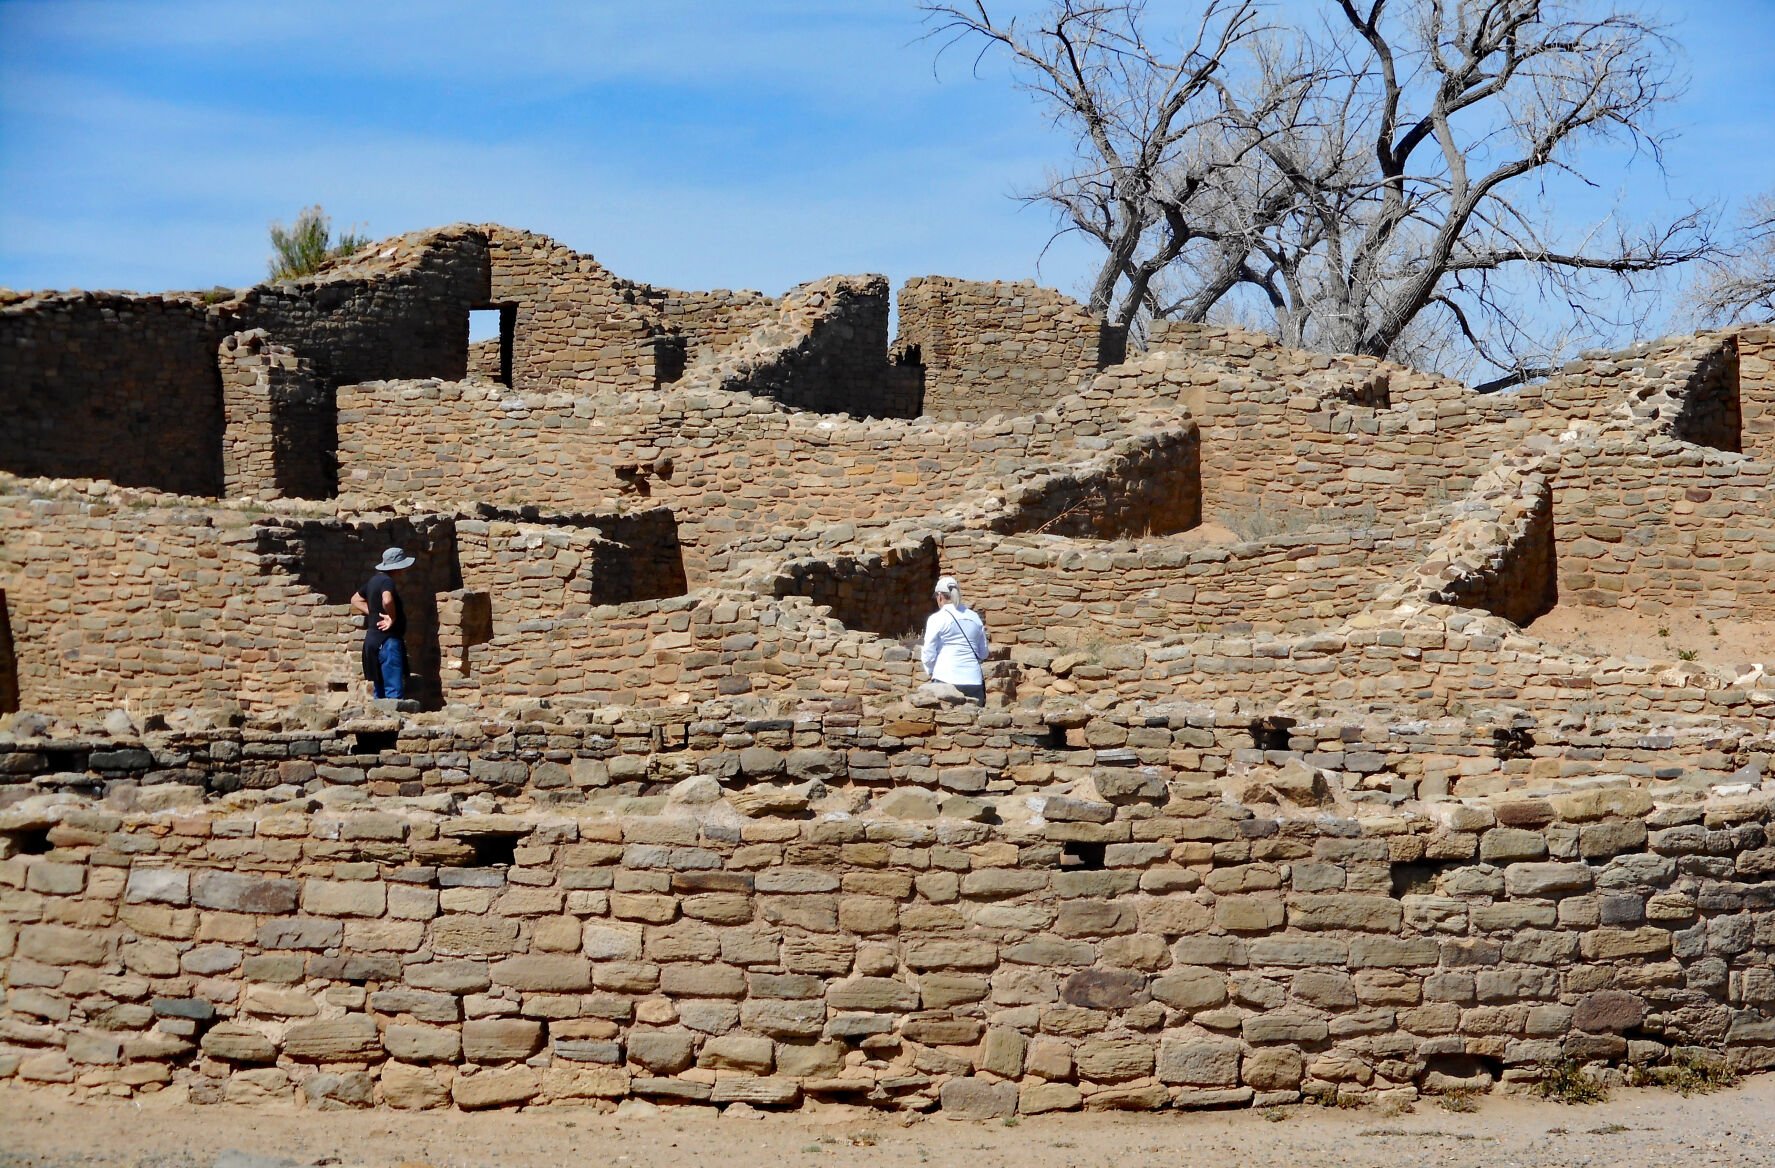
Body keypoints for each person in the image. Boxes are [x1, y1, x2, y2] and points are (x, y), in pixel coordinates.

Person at [351, 547, 414, 700]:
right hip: (388, 641)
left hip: (372, 641)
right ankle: (393, 719)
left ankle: (381, 719)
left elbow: (355, 599)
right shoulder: (387, 581)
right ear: (398, 568)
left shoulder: (374, 580)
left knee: (380, 689)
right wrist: (392, 617)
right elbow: (387, 599)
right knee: (393, 691)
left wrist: (372, 612)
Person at [921, 575, 989, 706]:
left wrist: (931, 671)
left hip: (945, 678)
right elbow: (983, 653)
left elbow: (929, 652)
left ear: (939, 596)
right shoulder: (974, 617)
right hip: (973, 680)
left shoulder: (937, 618)